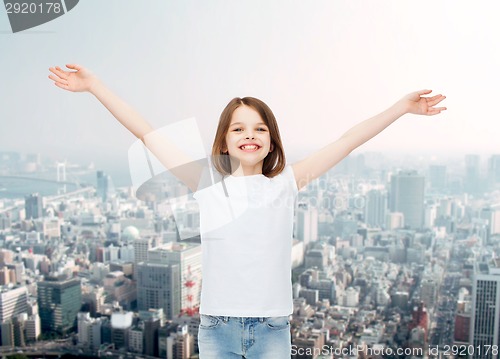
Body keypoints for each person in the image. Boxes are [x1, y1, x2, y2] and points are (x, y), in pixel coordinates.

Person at [48, 64, 446, 358]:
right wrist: (96, 86)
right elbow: (147, 134)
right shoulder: (205, 183)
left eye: (259, 128)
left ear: (272, 141)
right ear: (223, 141)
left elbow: (348, 140)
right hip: (217, 330)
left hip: (273, 331)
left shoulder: (287, 183)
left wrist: (400, 108)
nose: (249, 135)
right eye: (238, 128)